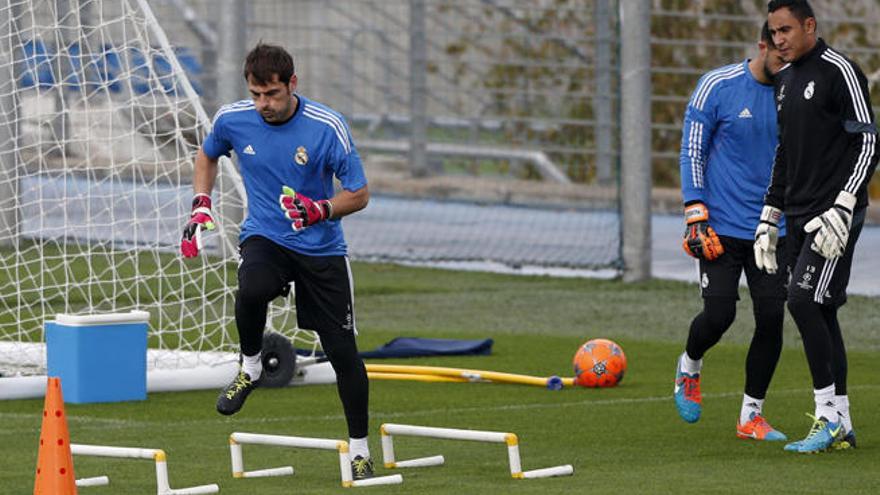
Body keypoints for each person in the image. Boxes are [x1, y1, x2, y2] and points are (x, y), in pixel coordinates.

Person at [180, 43, 375, 477]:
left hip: (321, 247)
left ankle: (360, 448)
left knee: (344, 352)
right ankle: (250, 365)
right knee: (252, 286)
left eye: (271, 94)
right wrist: (200, 202)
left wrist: (320, 209)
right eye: (255, 94)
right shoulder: (233, 119)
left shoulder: (327, 127)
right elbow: (207, 153)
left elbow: (358, 193)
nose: (263, 104)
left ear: (292, 85)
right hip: (266, 235)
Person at [757, 0, 877, 453]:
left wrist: (844, 206)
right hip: (797, 213)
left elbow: (868, 140)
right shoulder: (784, 81)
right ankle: (841, 422)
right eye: (773, 33)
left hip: (834, 215)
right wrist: (770, 213)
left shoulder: (839, 71)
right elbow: (785, 152)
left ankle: (826, 415)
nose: (779, 40)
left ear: (809, 25)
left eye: (786, 29)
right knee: (821, 310)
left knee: (802, 300)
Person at [674, 22, 788, 441]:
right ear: (761, 46)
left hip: (773, 230)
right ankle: (689, 364)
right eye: (778, 55)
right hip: (719, 227)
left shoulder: (795, 92)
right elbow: (692, 149)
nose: (785, 63)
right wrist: (695, 211)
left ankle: (751, 416)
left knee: (772, 318)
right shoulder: (717, 86)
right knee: (720, 314)